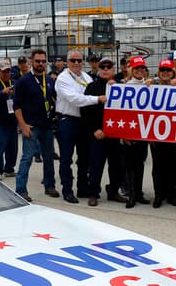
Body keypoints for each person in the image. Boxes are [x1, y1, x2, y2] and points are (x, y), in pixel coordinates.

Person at [55, 49, 106, 203]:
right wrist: (97, 99)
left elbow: (94, 91)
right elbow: (75, 99)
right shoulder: (62, 79)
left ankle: (82, 188)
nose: (76, 63)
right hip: (67, 120)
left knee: (84, 158)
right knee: (66, 158)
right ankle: (67, 190)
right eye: (73, 60)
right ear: (67, 62)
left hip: (83, 122)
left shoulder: (87, 77)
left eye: (79, 60)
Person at [14, 49, 58, 201]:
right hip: (31, 126)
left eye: (43, 61)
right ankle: (20, 190)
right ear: (31, 61)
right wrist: (23, 125)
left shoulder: (50, 81)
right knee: (27, 158)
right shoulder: (23, 81)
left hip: (47, 126)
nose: (40, 64)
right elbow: (16, 106)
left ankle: (49, 186)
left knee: (48, 158)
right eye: (37, 61)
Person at [82, 57, 124, 206]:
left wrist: (116, 88)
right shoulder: (91, 87)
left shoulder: (121, 87)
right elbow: (84, 111)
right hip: (98, 134)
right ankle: (93, 193)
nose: (105, 69)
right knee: (95, 165)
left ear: (113, 70)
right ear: (98, 70)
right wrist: (94, 129)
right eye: (102, 67)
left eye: (109, 67)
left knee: (117, 165)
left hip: (114, 133)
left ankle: (113, 192)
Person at [149, 59, 176, 207]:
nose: (165, 73)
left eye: (168, 70)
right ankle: (158, 195)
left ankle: (172, 195)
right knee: (158, 166)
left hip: (174, 134)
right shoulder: (150, 87)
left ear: (173, 72)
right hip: (156, 134)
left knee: (174, 166)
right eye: (162, 70)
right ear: (159, 73)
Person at [121, 56, 151, 208]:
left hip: (143, 132)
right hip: (129, 132)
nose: (140, 71)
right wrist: (123, 134)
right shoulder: (124, 86)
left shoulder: (150, 86)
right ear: (131, 70)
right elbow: (120, 112)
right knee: (130, 165)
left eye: (142, 68)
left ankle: (138, 193)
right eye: (137, 68)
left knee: (140, 164)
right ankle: (131, 194)